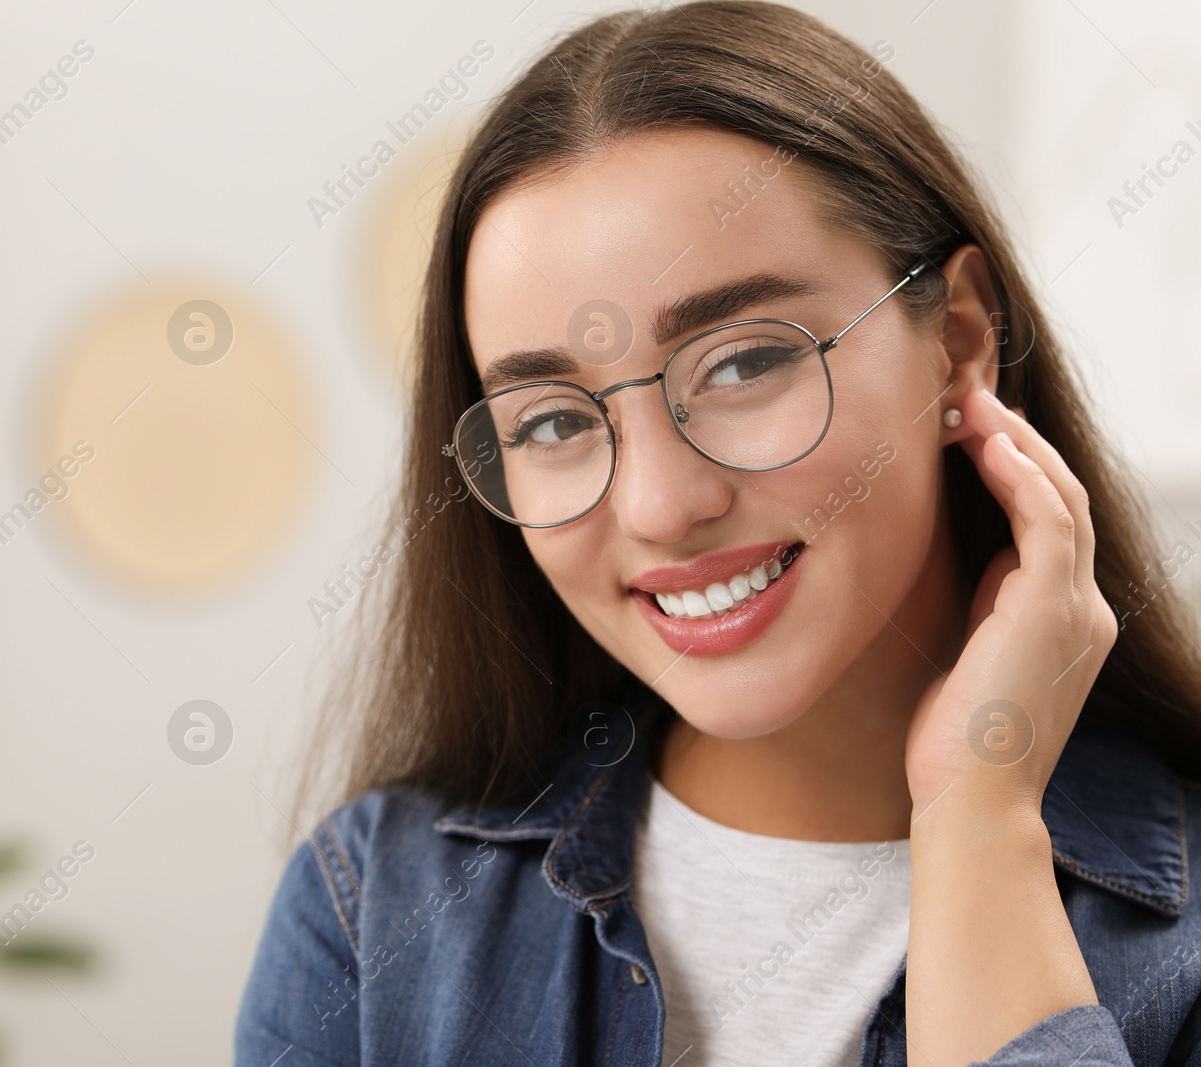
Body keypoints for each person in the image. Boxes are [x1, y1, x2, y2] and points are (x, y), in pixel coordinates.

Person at [235, 3, 1201, 1064]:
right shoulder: (374, 909)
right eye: (552, 420)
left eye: (743, 362)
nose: (657, 504)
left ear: (958, 342)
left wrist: (980, 819)